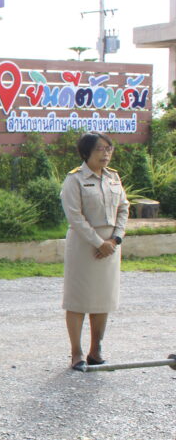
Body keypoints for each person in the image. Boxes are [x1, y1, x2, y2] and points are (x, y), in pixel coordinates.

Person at [60, 132, 129, 370]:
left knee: (103, 299)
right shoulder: (75, 179)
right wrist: (99, 243)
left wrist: (115, 239)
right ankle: (76, 353)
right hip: (84, 245)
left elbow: (124, 208)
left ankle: (95, 350)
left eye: (109, 149)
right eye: (100, 149)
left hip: (111, 246)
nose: (106, 153)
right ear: (86, 152)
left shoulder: (113, 177)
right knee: (78, 300)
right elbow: (75, 216)